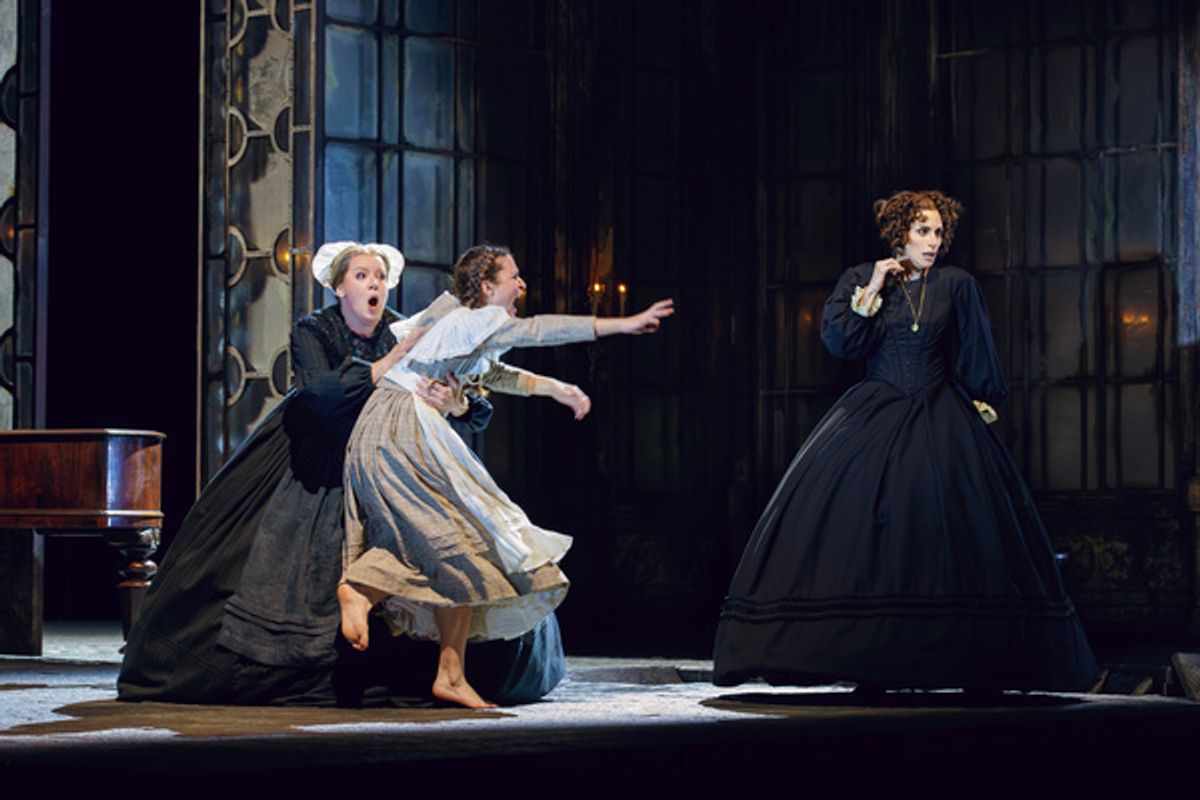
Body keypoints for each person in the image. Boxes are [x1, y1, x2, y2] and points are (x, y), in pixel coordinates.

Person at [118, 241, 564, 706]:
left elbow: (471, 393)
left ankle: (450, 669)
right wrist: (391, 362)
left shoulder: (402, 328)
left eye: (378, 277)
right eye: (361, 276)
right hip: (319, 459)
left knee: (458, 538)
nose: (374, 284)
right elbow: (317, 400)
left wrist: (458, 402)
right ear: (338, 289)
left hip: (395, 455)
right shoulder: (315, 330)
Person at [713, 190, 1100, 693]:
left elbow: (975, 350)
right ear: (899, 233)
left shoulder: (956, 285)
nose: (933, 241)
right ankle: (871, 662)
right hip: (876, 408)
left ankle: (972, 663)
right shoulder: (862, 278)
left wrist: (979, 401)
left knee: (958, 528)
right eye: (922, 230)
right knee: (863, 526)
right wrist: (874, 283)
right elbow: (842, 341)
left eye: (938, 232)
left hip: (940, 411)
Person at [337, 244, 675, 708]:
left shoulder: (461, 318)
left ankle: (450, 674)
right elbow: (538, 331)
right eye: (513, 277)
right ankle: (362, 589)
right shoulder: (477, 318)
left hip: (396, 425)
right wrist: (624, 323)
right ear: (487, 287)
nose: (521, 285)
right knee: (464, 539)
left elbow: (496, 374)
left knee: (469, 546)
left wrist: (558, 389)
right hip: (402, 427)